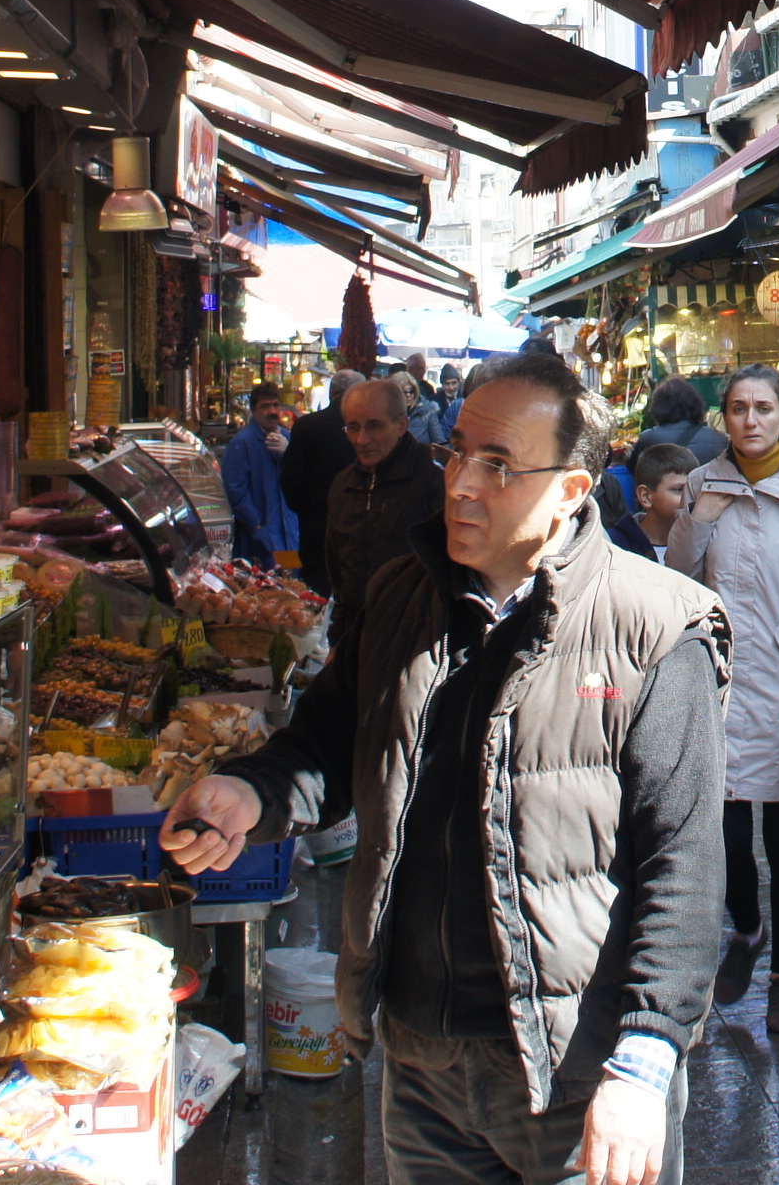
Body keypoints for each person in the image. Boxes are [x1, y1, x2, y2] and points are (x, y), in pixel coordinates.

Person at [163, 347, 728, 1185]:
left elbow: (683, 864)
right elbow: (328, 741)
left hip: (576, 1069)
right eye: (458, 451)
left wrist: (644, 1065)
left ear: (571, 491)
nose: (461, 482)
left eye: (498, 466)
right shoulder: (403, 594)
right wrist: (252, 791)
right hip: (422, 1060)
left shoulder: (654, 626)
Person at [667, 364, 779, 1038]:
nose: (750, 420)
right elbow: (677, 576)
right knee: (727, 836)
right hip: (720, 681)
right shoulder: (703, 485)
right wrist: (696, 520)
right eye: (739, 408)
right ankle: (747, 929)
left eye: (763, 408)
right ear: (725, 417)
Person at [321, 377, 444, 618]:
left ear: (401, 425)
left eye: (374, 426)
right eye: (353, 427)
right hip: (355, 632)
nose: (361, 440)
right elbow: (338, 570)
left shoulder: (433, 479)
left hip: (415, 634)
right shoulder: (344, 485)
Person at [280, 368, 363, 594]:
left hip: (314, 526)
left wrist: (305, 509)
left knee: (315, 591)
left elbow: (290, 478)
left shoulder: (307, 426)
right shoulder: (365, 430)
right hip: (358, 527)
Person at [221, 385, 299, 566]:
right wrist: (256, 525)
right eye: (265, 406)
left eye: (275, 405)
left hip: (288, 534)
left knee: (290, 583)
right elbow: (236, 491)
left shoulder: (287, 437)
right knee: (263, 585)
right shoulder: (241, 443)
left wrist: (289, 455)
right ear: (253, 410)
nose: (272, 411)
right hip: (260, 537)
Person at [612, 438, 694, 564]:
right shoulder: (615, 546)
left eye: (694, 488)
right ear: (646, 496)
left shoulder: (701, 541)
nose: (691, 497)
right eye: (679, 490)